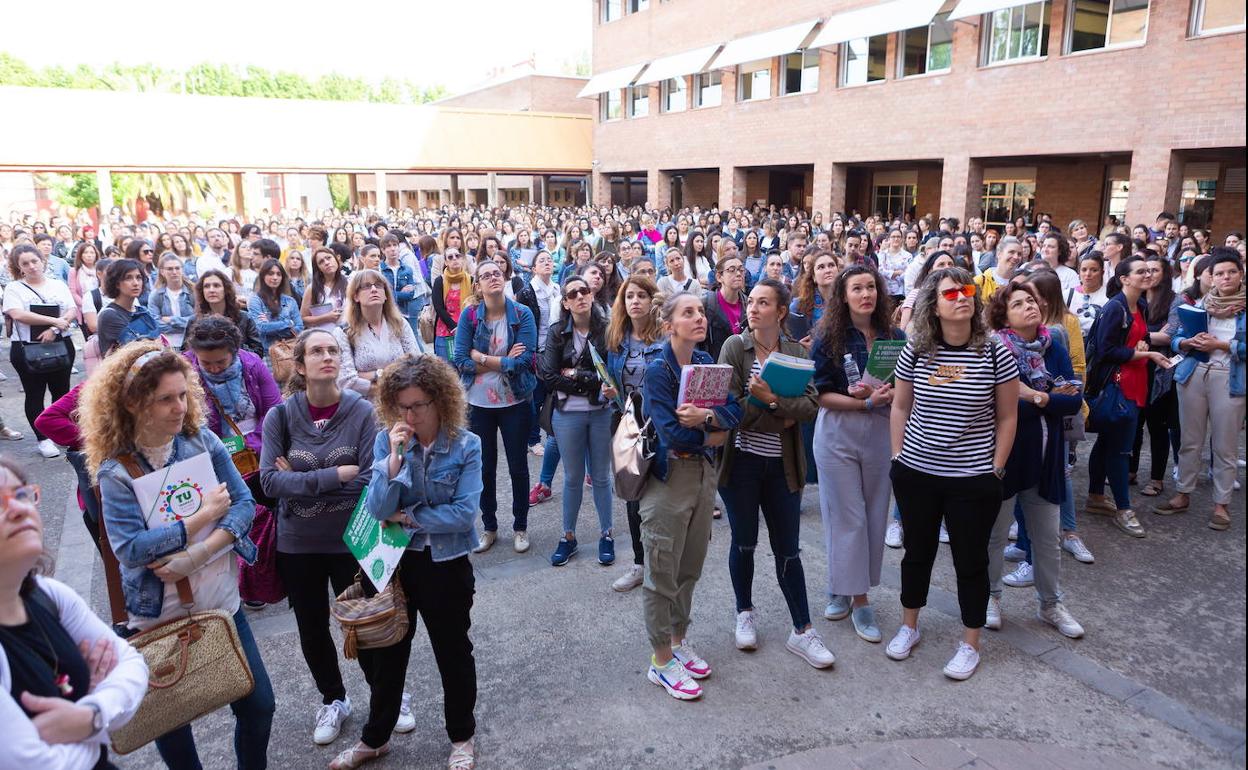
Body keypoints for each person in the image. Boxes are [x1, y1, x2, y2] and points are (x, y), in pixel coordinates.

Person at [81, 342, 274, 768]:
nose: (180, 407)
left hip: (221, 600)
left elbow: (244, 504)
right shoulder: (117, 469)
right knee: (172, 719)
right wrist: (200, 517)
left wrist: (200, 551)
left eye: (183, 394)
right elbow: (130, 548)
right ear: (133, 404)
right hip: (158, 613)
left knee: (258, 705)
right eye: (165, 399)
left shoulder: (201, 440)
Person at [885, 268, 1019, 681]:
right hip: (917, 472)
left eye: (966, 290)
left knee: (970, 559)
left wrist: (996, 468)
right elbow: (900, 406)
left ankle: (970, 643)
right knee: (917, 553)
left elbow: (1008, 415)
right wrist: (897, 456)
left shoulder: (995, 352)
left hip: (973, 478)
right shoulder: (917, 350)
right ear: (934, 305)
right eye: (950, 293)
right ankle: (909, 626)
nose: (961, 297)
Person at [364, 355, 481, 770]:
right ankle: (375, 738)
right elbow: (378, 508)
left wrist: (409, 517)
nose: (409, 416)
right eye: (401, 407)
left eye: (418, 406)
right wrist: (395, 460)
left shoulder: (466, 444)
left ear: (440, 401)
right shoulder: (388, 441)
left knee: (453, 652)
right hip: (398, 562)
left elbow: (464, 514)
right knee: (388, 655)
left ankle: (462, 737)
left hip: (446, 563)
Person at [0, 455, 149, 770]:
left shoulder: (48, 594)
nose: (18, 508)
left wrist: (91, 713)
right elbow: (36, 764)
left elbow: (132, 664)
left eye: (21, 494)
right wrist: (96, 730)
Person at [716, 278, 829, 665]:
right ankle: (744, 611)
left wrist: (771, 400)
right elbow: (731, 409)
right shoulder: (735, 347)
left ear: (781, 312)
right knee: (744, 543)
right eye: (751, 301)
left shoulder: (795, 351)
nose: (753, 308)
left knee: (788, 550)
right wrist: (782, 415)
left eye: (763, 303)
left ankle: (803, 630)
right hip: (742, 464)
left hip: (784, 467)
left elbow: (810, 407)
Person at [639, 291, 741, 701]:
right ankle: (661, 660)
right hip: (669, 477)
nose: (699, 317)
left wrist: (707, 416)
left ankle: (678, 642)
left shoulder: (704, 363)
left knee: (690, 566)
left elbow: (735, 411)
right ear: (669, 325)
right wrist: (711, 435)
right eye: (688, 313)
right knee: (662, 571)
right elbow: (671, 432)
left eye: (700, 311)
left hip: (702, 475)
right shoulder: (658, 370)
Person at [983, 280, 1086, 639]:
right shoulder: (994, 350)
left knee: (1046, 539)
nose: (1029, 306)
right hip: (1006, 458)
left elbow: (1072, 400)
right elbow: (998, 407)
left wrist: (1036, 397)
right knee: (995, 536)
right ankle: (990, 597)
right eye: (1018, 303)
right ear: (1003, 316)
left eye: (1031, 301)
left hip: (1047, 457)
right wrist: (1047, 396)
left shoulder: (1053, 344)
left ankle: (1050, 604)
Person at [813, 265, 905, 644]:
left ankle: (843, 585)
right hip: (838, 430)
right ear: (843, 295)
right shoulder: (828, 337)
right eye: (857, 288)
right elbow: (820, 394)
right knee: (846, 515)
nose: (865, 294)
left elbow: (907, 387)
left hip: (881, 430)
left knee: (874, 514)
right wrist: (863, 403)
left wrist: (886, 395)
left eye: (871, 287)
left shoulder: (895, 337)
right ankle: (860, 599)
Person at [1084, 257, 1173, 537]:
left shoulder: (1141, 305)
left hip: (1135, 381)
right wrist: (1145, 353)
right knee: (1121, 450)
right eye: (1140, 271)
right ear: (1124, 279)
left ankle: (1096, 496)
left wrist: (1142, 347)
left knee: (1108, 442)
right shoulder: (1115, 308)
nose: (1147, 275)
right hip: (1118, 385)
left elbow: (1137, 338)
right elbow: (1105, 350)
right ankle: (1124, 509)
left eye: (1149, 270)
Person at [453, 260, 537, 553]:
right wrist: (503, 360)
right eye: (486, 275)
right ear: (477, 285)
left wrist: (481, 357)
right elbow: (460, 360)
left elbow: (524, 362)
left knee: (518, 467)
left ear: (505, 278)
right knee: (484, 468)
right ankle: (489, 527)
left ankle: (520, 527)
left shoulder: (522, 314)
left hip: (515, 401)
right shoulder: (470, 316)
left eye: (497, 274)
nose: (493, 278)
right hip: (478, 404)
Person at [1158, 250, 1245, 531]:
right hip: (1194, 373)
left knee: (1225, 444)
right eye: (1219, 273)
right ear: (1211, 277)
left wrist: (1220, 345)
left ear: (1241, 274)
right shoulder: (1199, 305)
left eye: (1231, 272)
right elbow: (1176, 339)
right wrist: (1187, 343)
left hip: (1229, 377)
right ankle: (1183, 493)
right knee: (1190, 439)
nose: (1225, 277)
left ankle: (1221, 504)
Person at [540, 275, 614, 566]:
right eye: (573, 294)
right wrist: (590, 382)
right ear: (566, 303)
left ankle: (606, 534)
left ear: (592, 295)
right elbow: (548, 376)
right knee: (572, 478)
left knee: (601, 476)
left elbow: (610, 373)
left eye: (584, 291)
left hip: (600, 412)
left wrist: (574, 374)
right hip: (567, 414)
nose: (580, 296)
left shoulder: (607, 329)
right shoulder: (557, 332)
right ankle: (568, 536)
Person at [1024, 269, 1095, 565]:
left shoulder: (1062, 326)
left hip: (1056, 410)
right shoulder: (1019, 329)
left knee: (1060, 472)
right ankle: (1029, 540)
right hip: (1032, 412)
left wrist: (1066, 398)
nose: (1027, 302)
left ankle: (1069, 533)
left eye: (1032, 297)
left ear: (1045, 298)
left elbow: (1076, 368)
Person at [604, 275, 665, 591]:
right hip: (627, 424)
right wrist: (607, 390)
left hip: (661, 425)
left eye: (642, 295)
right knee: (632, 496)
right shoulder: (617, 338)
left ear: (652, 300)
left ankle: (662, 564)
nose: (635, 301)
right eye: (630, 296)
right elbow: (611, 380)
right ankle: (640, 564)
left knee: (663, 495)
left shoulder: (666, 337)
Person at [3, 243, 78, 458]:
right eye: (25, 263)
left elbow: (71, 309)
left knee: (62, 393)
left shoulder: (57, 285)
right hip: (27, 348)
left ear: (42, 261)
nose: (32, 266)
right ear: (19, 267)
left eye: (34, 261)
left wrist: (55, 329)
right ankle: (43, 438)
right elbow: (17, 314)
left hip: (60, 344)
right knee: (34, 393)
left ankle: (61, 432)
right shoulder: (14, 288)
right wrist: (53, 321)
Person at [332, 270, 424, 396]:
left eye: (379, 285)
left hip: (402, 401)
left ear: (386, 295)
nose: (374, 289)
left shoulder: (400, 324)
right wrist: (384, 376)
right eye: (366, 286)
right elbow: (346, 381)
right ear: (356, 296)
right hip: (365, 404)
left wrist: (365, 375)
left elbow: (417, 365)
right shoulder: (344, 331)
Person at [191, 269, 264, 357]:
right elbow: (186, 354)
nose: (211, 290)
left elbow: (258, 351)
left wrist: (233, 349)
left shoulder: (244, 318)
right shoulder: (194, 321)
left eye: (216, 285)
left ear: (226, 289)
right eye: (206, 286)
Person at [248, 258, 303, 354]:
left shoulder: (290, 301)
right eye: (271, 273)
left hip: (289, 352)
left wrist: (271, 325)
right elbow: (261, 328)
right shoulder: (256, 300)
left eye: (278, 274)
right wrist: (289, 323)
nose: (275, 277)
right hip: (267, 352)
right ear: (263, 276)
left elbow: (300, 328)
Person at [701, 252, 747, 361]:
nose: (738, 274)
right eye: (732, 270)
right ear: (719, 277)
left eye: (741, 270)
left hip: (740, 365)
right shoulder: (706, 304)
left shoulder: (748, 304)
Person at [432, 248, 473, 362]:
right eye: (450, 257)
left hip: (467, 330)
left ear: (462, 259)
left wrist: (462, 328)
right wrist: (454, 327)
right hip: (445, 331)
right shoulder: (440, 281)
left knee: (465, 366)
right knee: (447, 368)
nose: (454, 259)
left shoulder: (471, 280)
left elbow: (475, 305)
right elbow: (438, 307)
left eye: (457, 256)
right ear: (446, 262)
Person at [148, 253, 194, 350]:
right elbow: (155, 323)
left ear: (182, 269)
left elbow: (198, 319)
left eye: (177, 268)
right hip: (167, 345)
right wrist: (185, 325)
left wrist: (172, 320)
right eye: (169, 269)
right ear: (162, 272)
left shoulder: (192, 292)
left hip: (191, 342)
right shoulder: (156, 295)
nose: (174, 272)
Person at [301, 247, 348, 331]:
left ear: (336, 259)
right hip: (323, 335)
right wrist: (326, 318)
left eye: (328, 258)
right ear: (318, 268)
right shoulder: (312, 289)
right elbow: (303, 319)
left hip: (347, 333)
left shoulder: (349, 283)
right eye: (321, 262)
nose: (326, 262)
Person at [1069, 252, 1109, 337]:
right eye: (1084, 270)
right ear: (1079, 272)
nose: (1088, 274)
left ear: (1102, 273)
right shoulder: (1068, 295)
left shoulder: (1109, 296)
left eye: (1094, 270)